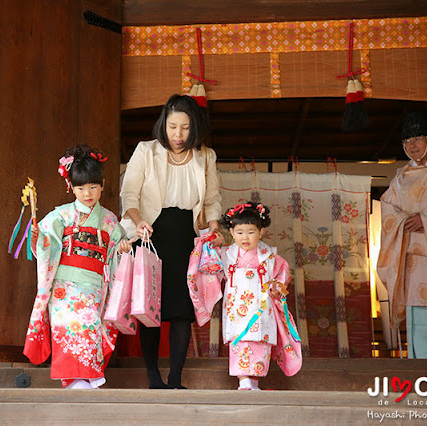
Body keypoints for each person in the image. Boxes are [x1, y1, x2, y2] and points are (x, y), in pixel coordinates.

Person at [120, 94, 222, 389]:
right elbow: (129, 194)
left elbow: (212, 200)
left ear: (195, 128)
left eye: (185, 128)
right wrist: (138, 220)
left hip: (186, 236)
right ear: (163, 124)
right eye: (172, 127)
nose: (178, 135)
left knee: (182, 311)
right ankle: (153, 376)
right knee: (150, 308)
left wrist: (214, 226)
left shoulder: (206, 157)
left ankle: (175, 379)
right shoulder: (146, 150)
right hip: (150, 232)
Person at [23, 144, 133, 389]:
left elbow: (116, 247)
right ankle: (73, 379)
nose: (88, 193)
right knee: (69, 326)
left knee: (91, 325)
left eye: (93, 186)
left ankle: (88, 375)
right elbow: (47, 243)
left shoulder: (108, 220)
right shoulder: (60, 215)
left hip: (94, 284)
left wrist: (122, 247)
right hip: (65, 285)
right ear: (70, 187)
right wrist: (38, 237)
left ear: (102, 184)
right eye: (81, 188)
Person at [376, 111, 427, 359]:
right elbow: (388, 207)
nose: (412, 145)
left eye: (417, 138)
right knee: (416, 314)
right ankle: (421, 372)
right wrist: (403, 220)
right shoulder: (401, 176)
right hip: (410, 258)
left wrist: (426, 219)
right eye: (407, 141)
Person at [218, 202, 293, 390]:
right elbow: (210, 268)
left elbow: (282, 275)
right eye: (240, 232)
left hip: (261, 308)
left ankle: (255, 381)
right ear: (232, 233)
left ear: (261, 232)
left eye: (251, 232)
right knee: (240, 341)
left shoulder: (270, 256)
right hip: (237, 308)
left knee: (261, 342)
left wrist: (277, 287)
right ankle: (243, 380)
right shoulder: (226, 254)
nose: (245, 237)